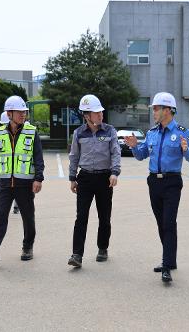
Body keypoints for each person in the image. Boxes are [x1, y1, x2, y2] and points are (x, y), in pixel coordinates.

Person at [124, 92, 189, 283]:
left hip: (172, 182)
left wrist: (185, 150)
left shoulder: (182, 132)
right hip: (154, 183)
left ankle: (166, 265)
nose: (154, 112)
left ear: (167, 110)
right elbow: (141, 155)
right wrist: (133, 147)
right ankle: (170, 260)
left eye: (156, 109)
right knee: (161, 223)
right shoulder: (151, 133)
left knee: (168, 223)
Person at [0, 96, 44, 266]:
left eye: (24, 112)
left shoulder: (31, 131)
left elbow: (38, 157)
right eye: (19, 112)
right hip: (5, 184)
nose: (23, 114)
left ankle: (27, 247)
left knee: (28, 218)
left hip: (25, 184)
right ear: (9, 113)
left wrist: (38, 178)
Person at [67, 94, 121, 268]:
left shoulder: (110, 131)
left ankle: (102, 248)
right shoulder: (79, 133)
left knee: (104, 217)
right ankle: (77, 254)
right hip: (85, 179)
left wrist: (114, 173)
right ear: (87, 115)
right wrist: (72, 178)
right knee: (81, 217)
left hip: (105, 178)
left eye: (101, 112)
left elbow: (115, 153)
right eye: (97, 113)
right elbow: (74, 156)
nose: (101, 115)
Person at [0, 110, 20, 215]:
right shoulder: (0, 134)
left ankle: (16, 206)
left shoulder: (19, 134)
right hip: (5, 171)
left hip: (18, 169)